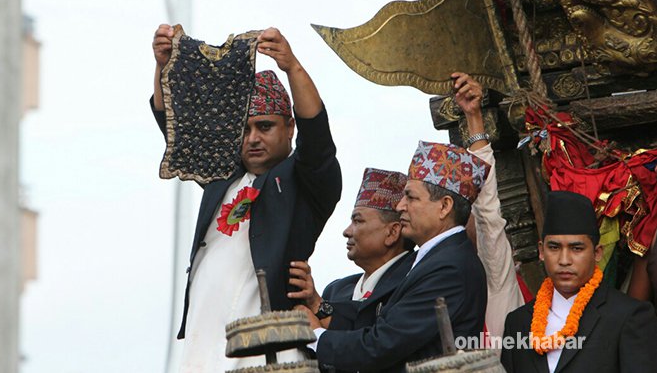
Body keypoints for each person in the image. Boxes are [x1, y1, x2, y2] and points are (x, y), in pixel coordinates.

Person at [151, 24, 343, 372]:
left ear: (290, 128)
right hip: (202, 345)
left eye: (265, 126)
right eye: (244, 129)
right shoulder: (222, 177)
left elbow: (318, 139)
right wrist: (163, 67)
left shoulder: (304, 183)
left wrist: (293, 67)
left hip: (271, 352)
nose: (252, 138)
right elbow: (173, 125)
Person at [305, 140, 489, 373]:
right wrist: (318, 307)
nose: (401, 205)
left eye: (411, 198)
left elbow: (383, 343)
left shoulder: (449, 268)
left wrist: (315, 336)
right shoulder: (436, 259)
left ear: (444, 206)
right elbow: (375, 319)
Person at [501, 191, 657, 373]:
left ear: (597, 253)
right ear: (541, 251)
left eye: (576, 248)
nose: (564, 260)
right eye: (554, 247)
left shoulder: (628, 317)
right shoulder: (518, 323)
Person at [287, 168, 414, 338]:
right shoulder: (336, 290)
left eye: (358, 220)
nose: (347, 231)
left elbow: (378, 342)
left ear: (392, 233)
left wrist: (318, 310)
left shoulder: (413, 283)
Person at [452, 72, 524, 340]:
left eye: (465, 211)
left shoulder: (495, 281)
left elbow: (487, 212)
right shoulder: (429, 287)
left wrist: (474, 117)